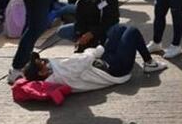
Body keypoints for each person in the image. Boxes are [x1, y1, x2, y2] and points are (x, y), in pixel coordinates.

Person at [21, 21, 166, 93]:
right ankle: (149, 62)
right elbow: (84, 59)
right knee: (132, 31)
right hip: (115, 69)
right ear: (41, 73)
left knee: (119, 28)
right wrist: (97, 49)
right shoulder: (60, 75)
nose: (44, 61)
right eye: (41, 63)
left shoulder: (53, 74)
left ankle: (148, 61)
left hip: (102, 62)